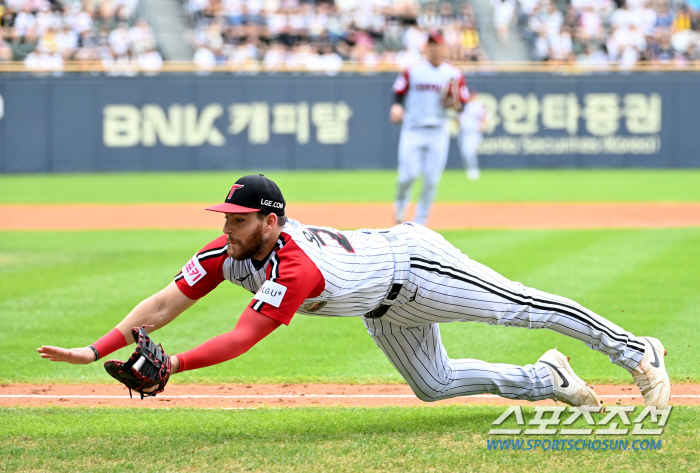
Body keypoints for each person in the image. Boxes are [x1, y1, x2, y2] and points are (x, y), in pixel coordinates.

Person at [37, 174, 671, 409]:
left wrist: (172, 363)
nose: (224, 227)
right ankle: (548, 381)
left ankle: (636, 351)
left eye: (236, 218)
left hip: (414, 265)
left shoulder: (295, 269)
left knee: (520, 307)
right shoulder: (227, 254)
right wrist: (94, 352)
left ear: (271, 221)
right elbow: (164, 304)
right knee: (436, 385)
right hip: (378, 302)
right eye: (223, 217)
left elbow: (242, 336)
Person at [390, 31, 469, 226]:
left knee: (431, 180)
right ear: (425, 48)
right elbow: (398, 91)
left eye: (437, 45)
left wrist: (454, 104)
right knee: (407, 176)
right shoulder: (413, 70)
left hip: (438, 130)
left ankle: (420, 223)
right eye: (431, 45)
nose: (434, 48)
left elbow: (462, 104)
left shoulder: (453, 73)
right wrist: (397, 106)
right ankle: (400, 205)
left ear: (443, 48)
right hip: (413, 128)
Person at [457, 90, 489, 181]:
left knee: (468, 152)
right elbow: (457, 117)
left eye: (473, 95)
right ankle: (469, 170)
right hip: (463, 132)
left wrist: (483, 125)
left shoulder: (479, 105)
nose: (472, 96)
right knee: (464, 152)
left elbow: (486, 117)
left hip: (473, 133)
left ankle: (473, 170)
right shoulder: (463, 105)